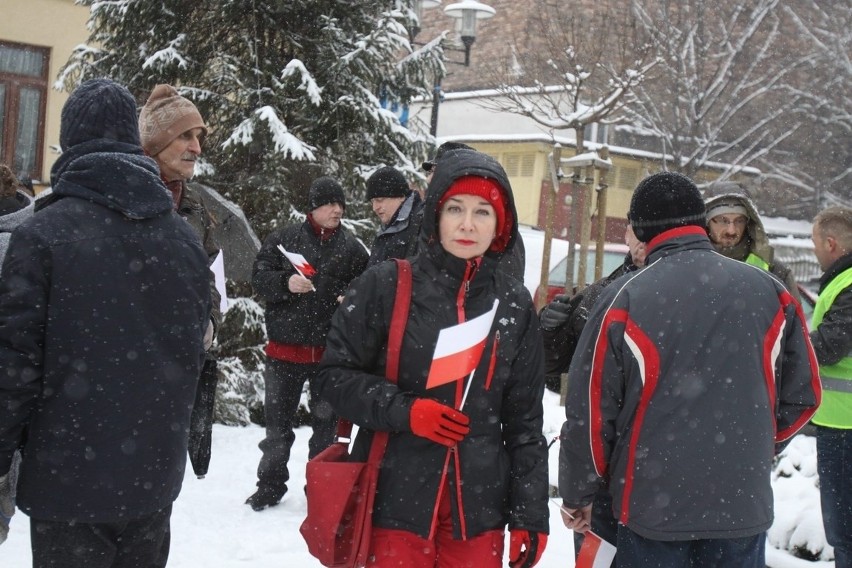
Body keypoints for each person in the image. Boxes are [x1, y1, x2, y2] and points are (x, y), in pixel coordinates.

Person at [559, 171, 821, 568]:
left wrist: (580, 493)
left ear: (642, 228)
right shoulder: (769, 290)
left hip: (650, 507)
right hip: (740, 507)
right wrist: (753, 446)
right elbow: (805, 394)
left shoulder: (625, 298)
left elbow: (591, 412)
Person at [0, 78, 211, 566]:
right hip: (151, 482)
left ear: (70, 141)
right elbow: (189, 357)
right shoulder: (182, 240)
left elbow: (14, 369)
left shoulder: (43, 235)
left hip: (68, 483)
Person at [317, 148, 549, 567]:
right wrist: (405, 412)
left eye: (483, 212)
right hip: (394, 503)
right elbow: (334, 377)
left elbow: (525, 422)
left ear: (500, 224)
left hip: (478, 515)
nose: (467, 223)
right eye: (455, 208)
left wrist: (531, 514)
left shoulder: (514, 304)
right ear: (436, 215)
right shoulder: (385, 284)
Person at [246, 176, 368, 511]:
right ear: (312, 208)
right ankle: (269, 486)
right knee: (276, 430)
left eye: (340, 204)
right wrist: (286, 282)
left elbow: (371, 284)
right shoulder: (284, 239)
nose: (336, 210)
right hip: (283, 354)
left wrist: (352, 295)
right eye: (329, 204)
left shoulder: (352, 248)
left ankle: (320, 489)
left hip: (329, 357)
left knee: (325, 430)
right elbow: (258, 277)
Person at [538, 224, 646, 565]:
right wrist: (550, 330)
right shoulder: (602, 292)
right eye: (636, 231)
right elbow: (554, 369)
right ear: (626, 234)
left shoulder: (686, 292)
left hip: (660, 476)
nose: (642, 242)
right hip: (603, 474)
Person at [139, 83, 222, 479]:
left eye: (199, 137)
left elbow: (209, 277)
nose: (197, 148)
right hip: (125, 376)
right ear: (154, 143)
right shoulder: (125, 201)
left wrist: (209, 321)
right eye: (185, 136)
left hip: (179, 377)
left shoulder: (194, 207)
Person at [809, 206, 852, 568]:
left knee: (844, 534)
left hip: (844, 427)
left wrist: (790, 343)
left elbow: (831, 344)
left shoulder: (849, 284)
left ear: (832, 243)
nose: (814, 251)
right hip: (840, 426)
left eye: (815, 243)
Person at [420, 142, 527, 282]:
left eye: (437, 171)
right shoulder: (424, 224)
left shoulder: (503, 239)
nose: (429, 178)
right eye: (455, 209)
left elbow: (506, 287)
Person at [704, 181, 800, 301]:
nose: (732, 230)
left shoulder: (775, 271)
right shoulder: (689, 264)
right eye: (723, 220)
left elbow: (793, 317)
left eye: (739, 221)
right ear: (707, 222)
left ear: (749, 223)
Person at [365, 165, 423, 268]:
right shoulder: (386, 229)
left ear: (400, 196)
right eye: (372, 202)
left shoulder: (421, 223)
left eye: (380, 200)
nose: (375, 207)